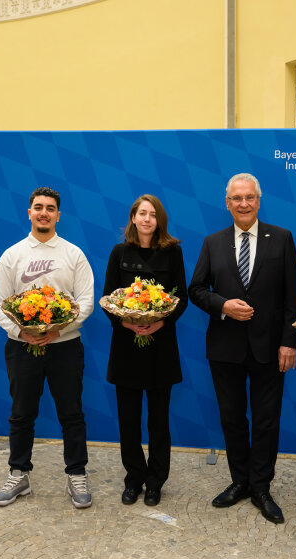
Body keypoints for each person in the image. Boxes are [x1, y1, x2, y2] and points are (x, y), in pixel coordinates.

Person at [188, 173, 296, 524]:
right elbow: (196, 289)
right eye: (236, 198)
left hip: (271, 348)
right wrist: (223, 305)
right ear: (227, 203)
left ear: (258, 199)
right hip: (225, 348)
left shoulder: (281, 239)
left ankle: (261, 487)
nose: (243, 203)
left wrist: (290, 341)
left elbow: (292, 296)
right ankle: (239, 482)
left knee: (267, 421)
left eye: (249, 197)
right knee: (232, 418)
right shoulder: (212, 242)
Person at [0, 186, 94, 508]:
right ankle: (19, 473)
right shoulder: (12, 255)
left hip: (65, 347)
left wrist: (59, 327)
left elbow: (86, 301)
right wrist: (22, 333)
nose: (44, 212)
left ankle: (76, 474)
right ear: (30, 212)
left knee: (71, 414)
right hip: (21, 348)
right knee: (21, 414)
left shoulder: (73, 254)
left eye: (50, 208)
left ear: (58, 215)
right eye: (39, 207)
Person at [103, 194, 187, 507]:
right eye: (142, 213)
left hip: (161, 348)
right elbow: (108, 298)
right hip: (126, 347)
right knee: (128, 419)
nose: (147, 219)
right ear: (133, 218)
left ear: (159, 220)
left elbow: (181, 299)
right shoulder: (119, 252)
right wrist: (126, 324)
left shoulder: (173, 252)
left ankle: (155, 482)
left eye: (153, 214)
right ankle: (134, 478)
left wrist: (160, 324)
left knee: (158, 420)